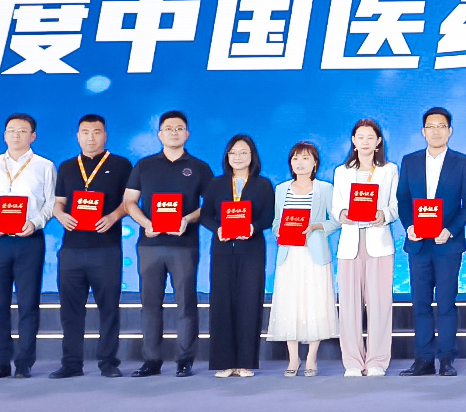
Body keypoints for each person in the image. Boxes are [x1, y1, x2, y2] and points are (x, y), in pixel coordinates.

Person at [0, 112, 54, 380]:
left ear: (33, 136)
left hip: (29, 240)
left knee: (28, 303)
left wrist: (36, 222)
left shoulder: (44, 166)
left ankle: (25, 362)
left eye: (22, 130)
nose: (16, 135)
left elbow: (51, 203)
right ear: (4, 135)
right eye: (11, 130)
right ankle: (1, 362)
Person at [126, 110, 210, 376]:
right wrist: (145, 223)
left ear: (187, 133)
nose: (174, 132)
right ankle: (152, 360)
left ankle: (185, 359)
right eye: (169, 128)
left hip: (184, 245)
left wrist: (187, 218)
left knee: (186, 303)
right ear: (159, 134)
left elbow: (211, 205)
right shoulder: (144, 165)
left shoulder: (199, 167)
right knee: (150, 304)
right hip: (149, 245)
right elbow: (129, 202)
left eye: (179, 128)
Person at [398, 106, 466, 375]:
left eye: (441, 126)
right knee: (420, 303)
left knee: (446, 302)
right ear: (423, 131)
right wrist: (409, 226)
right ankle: (423, 359)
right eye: (430, 127)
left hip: (447, 244)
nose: (436, 131)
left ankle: (446, 359)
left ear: (449, 131)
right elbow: (403, 198)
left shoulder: (462, 162)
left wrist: (451, 230)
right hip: (418, 243)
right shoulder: (409, 161)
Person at [51, 114, 129, 377]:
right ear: (78, 136)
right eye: (85, 132)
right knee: (70, 310)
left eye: (96, 132)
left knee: (109, 308)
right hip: (72, 249)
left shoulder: (121, 165)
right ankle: (71, 363)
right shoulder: (67, 167)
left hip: (106, 248)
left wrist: (113, 216)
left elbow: (129, 202)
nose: (91, 137)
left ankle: (108, 363)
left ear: (105, 135)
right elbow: (58, 202)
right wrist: (60, 215)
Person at [328, 118, 401, 378]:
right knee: (349, 306)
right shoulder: (341, 171)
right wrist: (342, 214)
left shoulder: (389, 170)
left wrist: (384, 215)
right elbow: (336, 206)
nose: (366, 142)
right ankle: (352, 361)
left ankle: (377, 361)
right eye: (361, 137)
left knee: (380, 305)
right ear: (353, 141)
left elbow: (395, 205)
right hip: (350, 244)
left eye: (371, 137)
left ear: (378, 141)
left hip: (379, 244)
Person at [205, 135, 274, 378]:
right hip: (223, 249)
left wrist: (253, 227)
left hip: (251, 250)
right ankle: (225, 363)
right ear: (227, 156)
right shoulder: (216, 184)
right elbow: (206, 214)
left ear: (252, 156)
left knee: (249, 302)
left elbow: (269, 216)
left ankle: (245, 362)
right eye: (233, 152)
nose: (238, 157)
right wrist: (217, 229)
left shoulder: (262, 184)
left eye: (243, 152)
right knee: (222, 302)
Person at [267, 139, 337, 376]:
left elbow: (335, 220)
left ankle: (311, 358)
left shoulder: (325, 189)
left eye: (305, 158)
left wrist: (316, 226)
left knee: (315, 304)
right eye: (295, 158)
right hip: (289, 254)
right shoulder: (281, 189)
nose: (300, 163)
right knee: (290, 304)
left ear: (315, 163)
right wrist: (278, 230)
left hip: (314, 254)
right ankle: (293, 358)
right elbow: (276, 220)